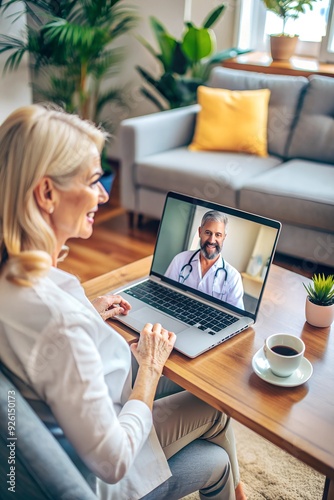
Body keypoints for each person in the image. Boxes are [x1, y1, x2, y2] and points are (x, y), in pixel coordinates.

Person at [0, 105, 246, 500]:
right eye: (95, 179)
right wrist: (150, 367)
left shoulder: (13, 279)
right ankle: (233, 487)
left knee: (212, 436)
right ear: (47, 193)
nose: (104, 193)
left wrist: (85, 312)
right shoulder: (57, 321)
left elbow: (51, 341)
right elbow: (112, 461)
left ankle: (235, 489)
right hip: (106, 471)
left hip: (82, 415)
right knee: (215, 422)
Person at [165, 211, 245, 309]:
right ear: (200, 232)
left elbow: (236, 316)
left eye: (218, 235)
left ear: (224, 237)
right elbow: (164, 293)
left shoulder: (233, 278)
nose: (211, 240)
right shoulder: (180, 260)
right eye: (208, 233)